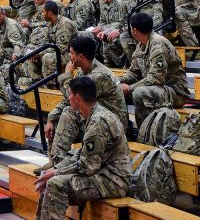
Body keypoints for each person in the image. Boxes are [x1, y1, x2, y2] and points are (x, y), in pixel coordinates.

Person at [35, 76, 130, 220]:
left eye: (70, 94)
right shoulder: (93, 115)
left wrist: (56, 172)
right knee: (50, 180)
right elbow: (81, 155)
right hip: (101, 173)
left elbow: (88, 166)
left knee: (56, 183)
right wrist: (54, 170)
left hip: (113, 180)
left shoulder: (98, 123)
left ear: (78, 98)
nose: (68, 97)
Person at [41, 36, 127, 172]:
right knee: (59, 117)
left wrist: (67, 74)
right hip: (93, 117)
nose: (69, 57)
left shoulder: (99, 76)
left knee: (68, 113)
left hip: (110, 124)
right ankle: (56, 161)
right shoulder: (84, 70)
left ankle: (58, 165)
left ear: (80, 56)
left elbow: (73, 95)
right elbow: (69, 98)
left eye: (71, 53)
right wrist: (51, 118)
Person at [120, 13, 189, 127]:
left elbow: (156, 78)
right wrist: (118, 82)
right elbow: (133, 73)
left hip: (175, 93)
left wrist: (129, 88)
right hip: (156, 88)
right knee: (114, 91)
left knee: (139, 93)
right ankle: (126, 129)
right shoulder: (141, 45)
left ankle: (145, 131)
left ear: (135, 30)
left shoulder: (158, 44)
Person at [20, 1, 77, 86]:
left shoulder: (64, 24)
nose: (41, 14)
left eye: (43, 12)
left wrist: (39, 53)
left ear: (49, 13)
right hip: (57, 52)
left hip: (70, 54)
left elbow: (61, 48)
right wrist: (35, 53)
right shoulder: (51, 24)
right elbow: (46, 43)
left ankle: (51, 86)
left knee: (47, 58)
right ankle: (38, 82)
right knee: (30, 58)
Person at [94, 0, 135, 67]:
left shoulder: (124, 2)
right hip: (110, 36)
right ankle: (108, 65)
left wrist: (119, 31)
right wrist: (99, 28)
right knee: (102, 36)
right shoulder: (102, 3)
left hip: (127, 34)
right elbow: (102, 21)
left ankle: (132, 67)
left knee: (114, 30)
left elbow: (133, 23)